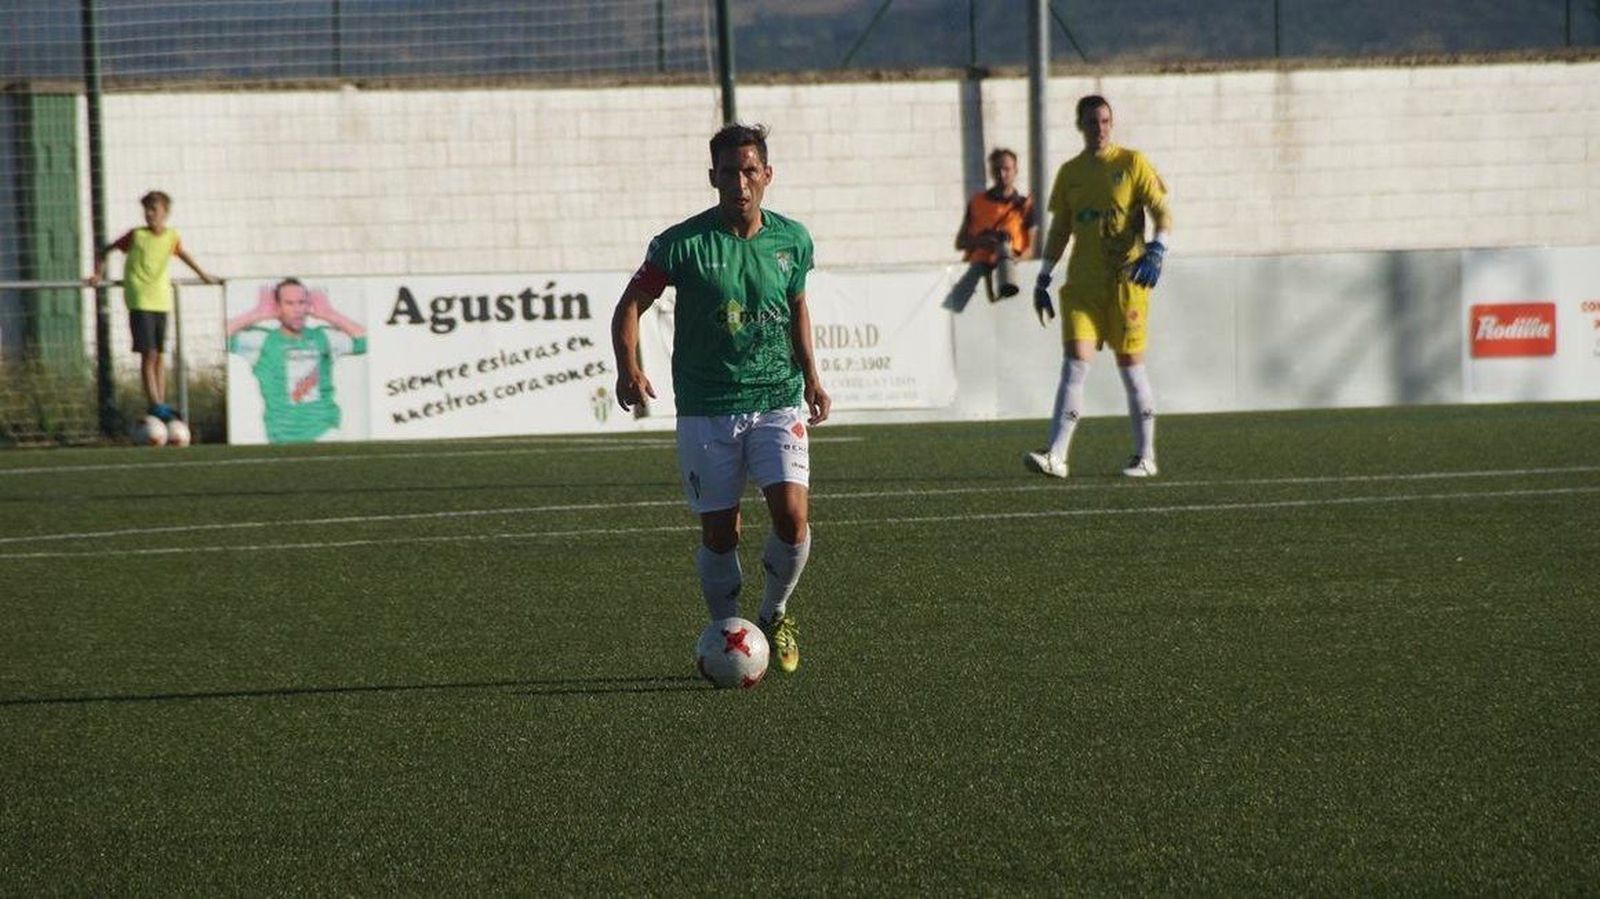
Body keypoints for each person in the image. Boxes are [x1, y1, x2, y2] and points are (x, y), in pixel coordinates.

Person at [610, 123, 829, 675]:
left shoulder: (793, 240)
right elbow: (630, 305)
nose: (740, 182)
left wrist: (812, 377)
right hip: (708, 405)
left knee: (792, 517)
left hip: (776, 396)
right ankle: (724, 629)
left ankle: (775, 612)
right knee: (720, 531)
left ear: (767, 175)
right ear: (713, 177)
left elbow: (798, 306)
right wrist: (628, 368)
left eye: (750, 170)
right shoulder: (682, 244)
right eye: (728, 171)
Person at [1027, 95, 1172, 479]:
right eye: (1092, 122)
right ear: (1081, 125)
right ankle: (1057, 455)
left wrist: (1158, 247)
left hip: (1127, 285)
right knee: (1074, 365)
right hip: (1084, 286)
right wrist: (1043, 276)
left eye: (1106, 120)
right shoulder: (1071, 173)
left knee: (1130, 369)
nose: (1100, 128)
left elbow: (1163, 212)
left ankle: (1146, 456)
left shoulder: (1132, 163)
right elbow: (1060, 231)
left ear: (1112, 123)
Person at [87, 190, 220, 424]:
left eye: (154, 210)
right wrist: (98, 273)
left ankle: (162, 403)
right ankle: (155, 404)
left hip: (161, 301)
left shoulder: (171, 237)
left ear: (165, 213)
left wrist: (203, 274)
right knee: (148, 354)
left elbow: (183, 254)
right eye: (146, 210)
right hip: (140, 300)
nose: (149, 214)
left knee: (159, 354)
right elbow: (105, 250)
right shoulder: (136, 236)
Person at [226, 278, 367, 443]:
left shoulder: (323, 337)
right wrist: (257, 314)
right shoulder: (262, 340)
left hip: (325, 430)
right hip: (281, 435)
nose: (297, 310)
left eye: (302, 303)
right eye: (290, 303)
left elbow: (364, 341)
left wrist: (329, 314)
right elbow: (219, 337)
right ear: (277, 307)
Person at [953, 147, 1036, 303]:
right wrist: (983, 241)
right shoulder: (977, 202)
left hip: (1012, 278)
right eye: (997, 170)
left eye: (1007, 169)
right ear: (991, 172)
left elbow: (1032, 248)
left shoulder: (1025, 206)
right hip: (976, 276)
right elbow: (960, 242)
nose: (1002, 174)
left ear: (1016, 170)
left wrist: (1014, 259)